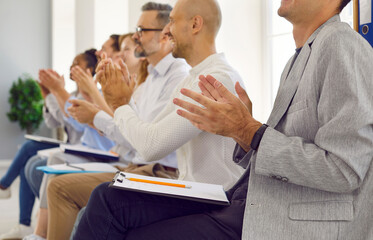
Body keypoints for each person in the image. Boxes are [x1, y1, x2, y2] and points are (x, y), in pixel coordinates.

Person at [172, 0, 373, 239]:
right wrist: (241, 132)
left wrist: (250, 130)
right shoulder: (297, 59)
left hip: (297, 225)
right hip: (256, 207)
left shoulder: (341, 43)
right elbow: (281, 155)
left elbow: (345, 169)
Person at [73, 0, 245, 238]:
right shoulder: (195, 77)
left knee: (107, 198)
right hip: (193, 191)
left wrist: (120, 103)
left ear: (195, 24)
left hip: (214, 198)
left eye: (172, 21)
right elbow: (150, 133)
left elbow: (151, 147)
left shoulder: (214, 80)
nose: (167, 30)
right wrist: (123, 99)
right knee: (106, 200)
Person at [45, 23, 189, 239]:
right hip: (134, 162)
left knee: (64, 181)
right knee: (50, 169)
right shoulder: (146, 83)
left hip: (143, 165)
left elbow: (140, 139)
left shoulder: (174, 77)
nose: (121, 54)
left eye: (126, 49)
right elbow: (130, 128)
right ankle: (37, 232)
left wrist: (96, 102)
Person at [22, 49, 115, 240]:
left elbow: (77, 121)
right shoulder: (76, 94)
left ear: (90, 70)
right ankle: (40, 226)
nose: (72, 68)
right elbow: (56, 121)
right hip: (80, 149)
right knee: (32, 159)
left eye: (77, 64)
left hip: (100, 154)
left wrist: (57, 90)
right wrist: (52, 93)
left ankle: (41, 231)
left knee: (44, 164)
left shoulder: (102, 95)